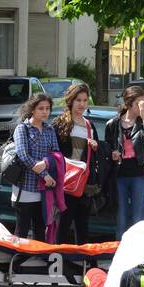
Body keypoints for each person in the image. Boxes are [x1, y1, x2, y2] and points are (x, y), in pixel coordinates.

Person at [52, 82, 102, 243]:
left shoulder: (89, 125)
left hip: (84, 183)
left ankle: (85, 263)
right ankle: (59, 260)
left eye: (84, 100)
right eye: (78, 100)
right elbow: (53, 152)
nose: (81, 104)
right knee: (63, 223)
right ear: (71, 101)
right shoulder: (60, 123)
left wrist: (95, 147)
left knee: (83, 226)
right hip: (66, 181)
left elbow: (96, 155)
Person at [10, 92, 61, 240]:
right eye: (41, 108)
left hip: (44, 190)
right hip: (25, 188)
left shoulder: (50, 130)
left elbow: (56, 154)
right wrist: (45, 175)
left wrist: (46, 163)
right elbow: (23, 155)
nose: (45, 112)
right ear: (32, 109)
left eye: (47, 108)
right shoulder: (22, 128)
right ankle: (17, 262)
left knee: (40, 232)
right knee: (22, 233)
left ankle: (41, 262)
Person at [105, 85, 144, 236]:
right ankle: (119, 248)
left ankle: (137, 250)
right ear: (129, 103)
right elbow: (107, 146)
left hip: (139, 173)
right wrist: (112, 152)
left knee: (138, 215)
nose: (143, 105)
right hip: (119, 174)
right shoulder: (113, 124)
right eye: (140, 102)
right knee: (122, 214)